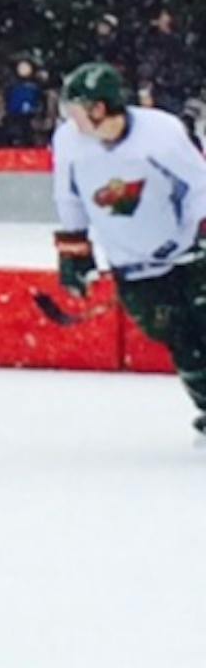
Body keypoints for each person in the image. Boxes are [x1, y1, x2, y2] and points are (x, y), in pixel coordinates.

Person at [52, 61, 206, 438]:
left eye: (76, 108)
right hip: (132, 266)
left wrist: (200, 233)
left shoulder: (160, 134)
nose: (70, 118)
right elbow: (69, 197)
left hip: (189, 257)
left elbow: (199, 186)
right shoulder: (69, 142)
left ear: (100, 108)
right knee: (181, 343)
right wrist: (74, 252)